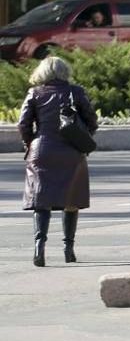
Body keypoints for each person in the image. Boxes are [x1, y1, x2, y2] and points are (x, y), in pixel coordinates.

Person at [18, 56, 97, 267]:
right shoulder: (76, 92)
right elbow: (91, 120)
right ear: (65, 72)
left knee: (41, 202)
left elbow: (23, 123)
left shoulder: (35, 93)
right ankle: (68, 249)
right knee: (71, 201)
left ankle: (38, 248)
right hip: (72, 152)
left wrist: (30, 144)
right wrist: (82, 138)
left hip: (41, 151)